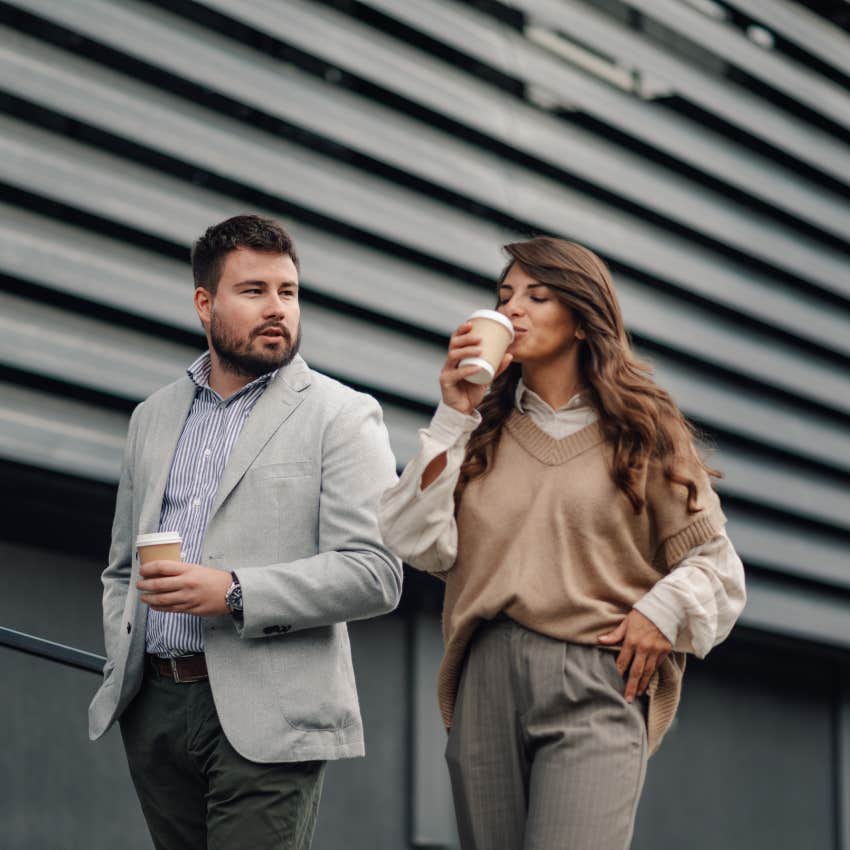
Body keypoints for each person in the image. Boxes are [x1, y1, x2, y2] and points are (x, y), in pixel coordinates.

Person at [379, 236, 746, 850]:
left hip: (596, 680)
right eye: (504, 297)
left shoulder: (642, 433)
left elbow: (718, 566)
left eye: (537, 296)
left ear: (581, 318)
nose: (512, 310)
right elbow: (411, 539)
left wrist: (661, 611)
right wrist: (453, 416)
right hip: (486, 679)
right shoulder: (480, 432)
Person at [89, 214, 402, 850]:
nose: (277, 309)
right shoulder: (151, 417)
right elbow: (121, 566)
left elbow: (375, 572)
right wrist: (128, 664)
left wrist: (234, 591)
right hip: (155, 708)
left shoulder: (342, 415)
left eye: (287, 292)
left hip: (271, 712)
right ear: (205, 302)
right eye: (253, 291)